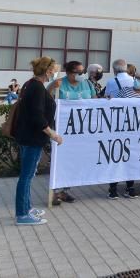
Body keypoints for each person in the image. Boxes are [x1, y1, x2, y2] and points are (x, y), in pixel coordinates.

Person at [14, 57, 64, 225]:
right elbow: (37, 116)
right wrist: (53, 134)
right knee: (26, 177)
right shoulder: (35, 87)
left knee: (28, 175)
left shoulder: (32, 84)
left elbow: (39, 106)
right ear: (48, 71)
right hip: (32, 138)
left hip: (27, 136)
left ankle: (26, 208)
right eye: (55, 69)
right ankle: (22, 214)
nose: (56, 72)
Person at [48, 60, 95, 205]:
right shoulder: (59, 83)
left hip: (82, 131)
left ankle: (63, 190)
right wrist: (51, 88)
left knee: (74, 160)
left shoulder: (87, 84)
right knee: (58, 160)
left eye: (83, 72)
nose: (82, 75)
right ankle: (54, 192)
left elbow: (95, 101)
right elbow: (45, 98)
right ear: (68, 73)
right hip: (62, 129)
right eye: (78, 72)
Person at [107, 69, 140, 199]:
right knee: (118, 159)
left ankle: (130, 187)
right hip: (123, 131)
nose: (137, 80)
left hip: (139, 133)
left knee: (133, 160)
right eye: (136, 77)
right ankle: (113, 187)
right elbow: (114, 107)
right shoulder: (125, 92)